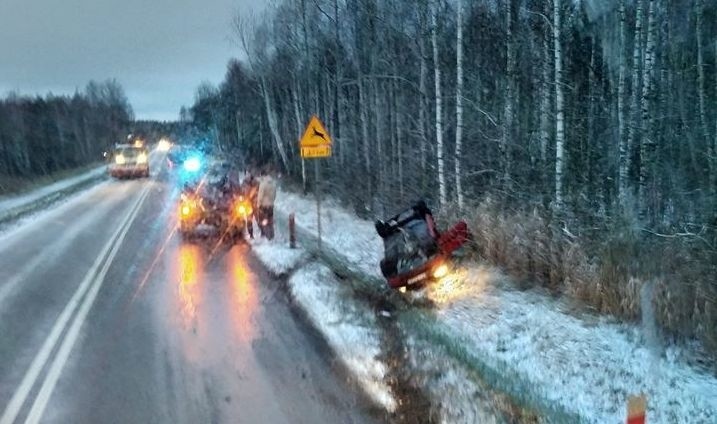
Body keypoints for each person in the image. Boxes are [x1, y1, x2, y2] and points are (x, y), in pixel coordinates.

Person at [256, 168, 277, 240]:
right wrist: (272, 201)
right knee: (270, 220)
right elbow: (274, 194)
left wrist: (258, 205)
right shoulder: (273, 183)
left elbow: (260, 196)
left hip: (264, 206)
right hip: (271, 205)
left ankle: (268, 237)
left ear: (262, 175)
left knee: (264, 221)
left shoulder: (263, 184)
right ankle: (272, 235)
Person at [242, 170, 260, 239]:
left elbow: (259, 192)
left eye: (249, 173)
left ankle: (263, 233)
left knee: (258, 218)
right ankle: (251, 235)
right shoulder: (244, 183)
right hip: (247, 204)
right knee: (249, 220)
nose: (248, 175)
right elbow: (242, 192)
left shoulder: (256, 182)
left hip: (254, 203)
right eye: (246, 174)